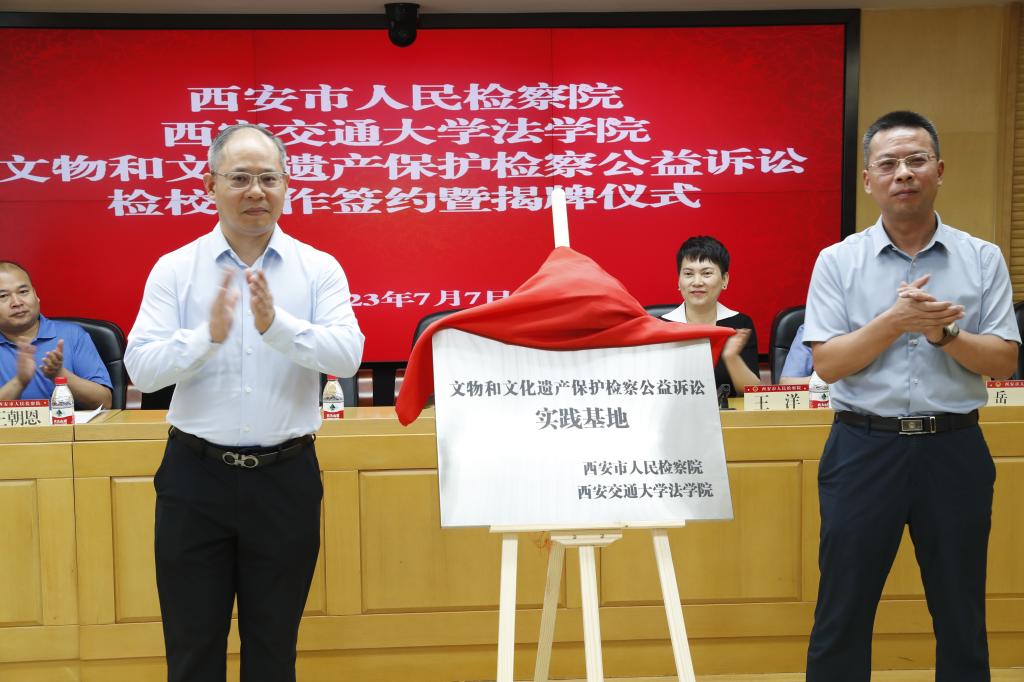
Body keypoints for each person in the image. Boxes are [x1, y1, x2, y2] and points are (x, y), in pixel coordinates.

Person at [125, 123, 364, 682]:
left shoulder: (318, 268)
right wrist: (204, 337)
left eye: (268, 178)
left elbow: (348, 355)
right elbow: (141, 368)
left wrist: (276, 325)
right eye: (239, 178)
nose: (256, 191)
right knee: (192, 648)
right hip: (195, 479)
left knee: (274, 650)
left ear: (286, 185)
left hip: (285, 479)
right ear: (210, 185)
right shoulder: (175, 268)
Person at [803, 110, 1020, 682]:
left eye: (916, 160)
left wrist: (943, 334)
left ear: (939, 170)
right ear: (868, 180)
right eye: (889, 163)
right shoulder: (837, 261)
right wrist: (895, 321)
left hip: (954, 449)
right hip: (862, 448)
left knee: (960, 610)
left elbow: (1003, 360)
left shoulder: (982, 258)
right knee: (843, 609)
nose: (903, 173)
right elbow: (828, 363)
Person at [0, 261, 112, 408]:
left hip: (68, 424)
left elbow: (105, 402)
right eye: (3, 296)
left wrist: (60, 374)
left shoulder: (72, 335)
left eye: (23, 292)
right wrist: (19, 382)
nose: (17, 302)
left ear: (35, 295)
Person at [662, 235, 761, 396]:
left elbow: (753, 393)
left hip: (728, 412)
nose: (697, 282)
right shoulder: (661, 326)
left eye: (706, 273)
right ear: (679, 281)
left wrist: (731, 358)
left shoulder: (739, 324)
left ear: (724, 279)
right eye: (688, 274)